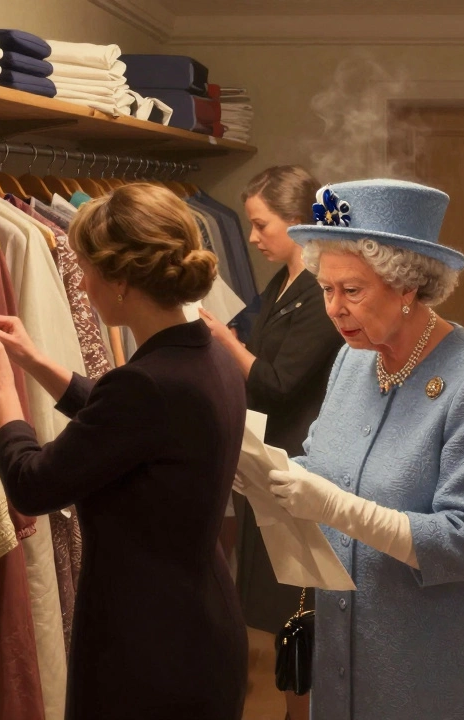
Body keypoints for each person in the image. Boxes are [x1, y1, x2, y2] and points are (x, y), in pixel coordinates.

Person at [0, 183, 249, 720]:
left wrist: (3, 390)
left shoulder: (149, 384)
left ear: (119, 282)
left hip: (148, 650)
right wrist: (35, 360)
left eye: (87, 268)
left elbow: (34, 482)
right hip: (199, 628)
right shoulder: (206, 354)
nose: (84, 282)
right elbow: (130, 424)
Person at [260, 179, 464, 720]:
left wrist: (335, 507)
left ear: (409, 287)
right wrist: (262, 469)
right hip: (343, 647)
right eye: (326, 288)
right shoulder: (352, 360)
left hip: (429, 664)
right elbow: (324, 465)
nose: (334, 309)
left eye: (352, 291)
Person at [199, 165, 344, 720]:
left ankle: (303, 712)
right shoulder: (285, 280)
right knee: (283, 604)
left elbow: (280, 382)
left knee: (298, 604)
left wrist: (223, 342)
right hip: (269, 456)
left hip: (300, 459)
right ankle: (295, 709)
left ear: (300, 223)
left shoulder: (321, 289)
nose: (252, 237)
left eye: (262, 225)